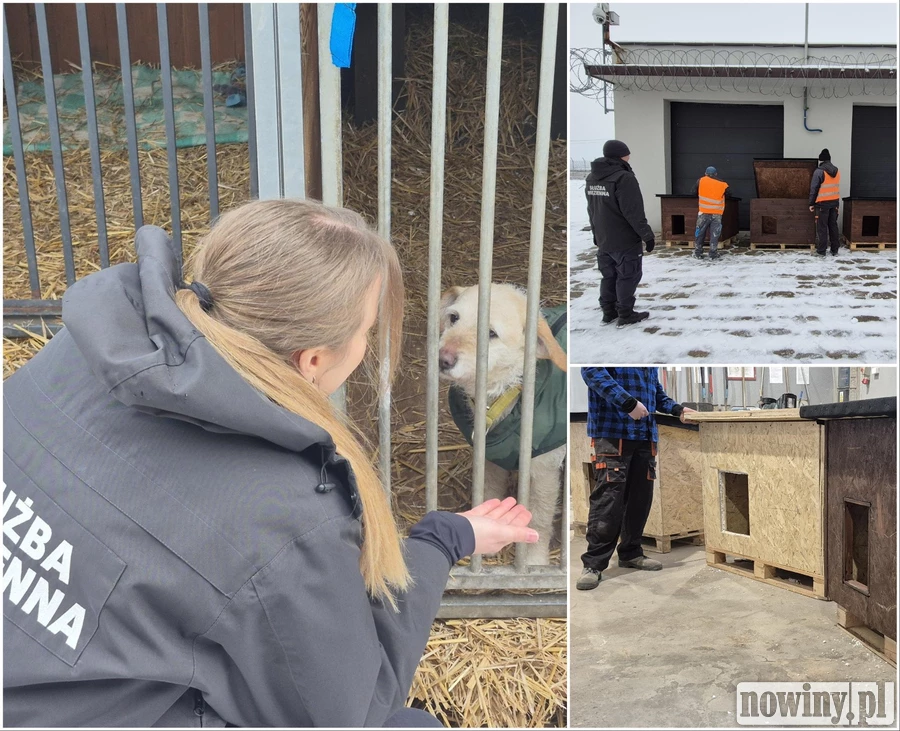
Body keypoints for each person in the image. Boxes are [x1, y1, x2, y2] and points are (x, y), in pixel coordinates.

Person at [2, 199, 539, 728]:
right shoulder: (284, 514)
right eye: (366, 331)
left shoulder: (73, 353)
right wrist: (441, 540)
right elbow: (352, 710)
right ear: (312, 361)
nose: (367, 346)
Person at [576, 368, 696, 591]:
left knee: (640, 498)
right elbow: (592, 374)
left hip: (645, 434)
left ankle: (631, 553)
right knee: (608, 500)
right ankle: (593, 564)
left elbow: (655, 392)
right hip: (613, 433)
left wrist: (677, 409)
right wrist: (628, 403)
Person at [585, 139, 656, 329]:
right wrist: (647, 235)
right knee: (628, 275)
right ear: (621, 155)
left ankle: (608, 312)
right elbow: (633, 211)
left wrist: (596, 234)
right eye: (627, 153)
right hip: (624, 239)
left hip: (604, 239)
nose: (630, 156)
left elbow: (591, 209)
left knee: (609, 276)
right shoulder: (623, 178)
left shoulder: (592, 177)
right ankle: (625, 313)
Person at [691, 166, 730, 260]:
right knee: (714, 234)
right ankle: (713, 254)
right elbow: (729, 194)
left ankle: (698, 253)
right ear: (716, 174)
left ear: (705, 174)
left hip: (703, 213)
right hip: (717, 213)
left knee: (700, 233)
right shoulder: (723, 183)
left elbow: (692, 192)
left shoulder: (700, 181)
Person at [808, 148, 841, 257]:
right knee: (833, 226)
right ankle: (834, 250)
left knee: (822, 228)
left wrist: (811, 203)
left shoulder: (819, 171)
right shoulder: (837, 171)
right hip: (835, 203)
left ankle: (822, 251)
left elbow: (814, 189)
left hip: (822, 204)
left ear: (820, 160)